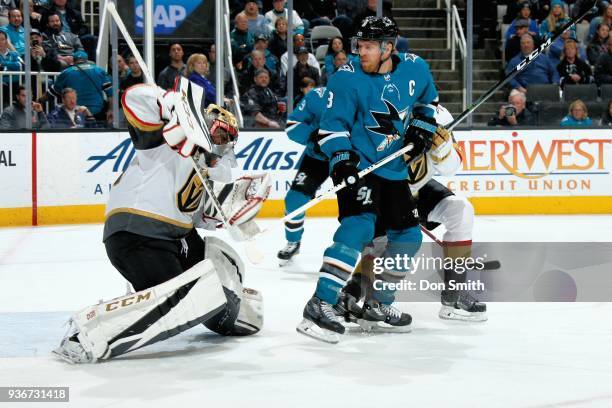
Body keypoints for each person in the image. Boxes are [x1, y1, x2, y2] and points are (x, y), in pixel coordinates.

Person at [53, 78, 267, 364]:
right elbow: (133, 98)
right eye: (218, 135)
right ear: (202, 126)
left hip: (174, 238)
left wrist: (239, 211)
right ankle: (92, 331)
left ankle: (231, 307)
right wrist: (169, 104)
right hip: (137, 235)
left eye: (227, 140)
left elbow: (204, 218)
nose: (221, 144)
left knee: (218, 263)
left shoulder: (202, 171)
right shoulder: (165, 141)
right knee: (187, 299)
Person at [296, 17, 440, 343]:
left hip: (393, 169)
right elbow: (332, 127)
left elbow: (427, 103)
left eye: (369, 46)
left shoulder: (415, 69)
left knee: (408, 238)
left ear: (389, 47)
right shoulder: (345, 79)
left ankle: (378, 303)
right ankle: (320, 303)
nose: (361, 52)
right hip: (360, 166)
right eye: (359, 46)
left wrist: (422, 128)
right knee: (359, 227)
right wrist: (342, 159)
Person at [344, 105, 487, 323]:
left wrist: (443, 149)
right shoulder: (379, 104)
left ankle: (454, 294)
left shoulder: (439, 114)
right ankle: (352, 293)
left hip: (418, 188)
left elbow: (451, 167)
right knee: (381, 247)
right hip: (383, 189)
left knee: (461, 210)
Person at [278, 86, 331, 267]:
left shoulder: (364, 93)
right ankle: (293, 241)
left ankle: (368, 246)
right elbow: (293, 125)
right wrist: (312, 137)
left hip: (352, 158)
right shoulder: (318, 96)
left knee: (361, 206)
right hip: (317, 158)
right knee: (294, 199)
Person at [50, 50, 112, 125]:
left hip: (76, 114)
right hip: (97, 112)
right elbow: (111, 93)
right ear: (87, 60)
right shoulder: (99, 71)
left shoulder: (66, 73)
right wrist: (111, 109)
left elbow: (54, 91)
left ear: (73, 60)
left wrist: (40, 100)